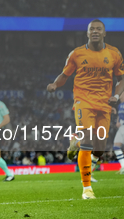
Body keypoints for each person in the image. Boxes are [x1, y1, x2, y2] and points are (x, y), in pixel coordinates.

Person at [47, 19, 124, 199]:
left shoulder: (114, 54)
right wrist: (54, 85)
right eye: (92, 29)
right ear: (87, 33)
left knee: (100, 148)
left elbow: (121, 79)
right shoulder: (76, 54)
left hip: (105, 103)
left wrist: (116, 96)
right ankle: (87, 188)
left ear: (104, 33)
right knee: (89, 140)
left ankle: (77, 142)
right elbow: (65, 74)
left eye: (98, 29)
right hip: (84, 101)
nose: (95, 31)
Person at [113, 101, 124, 174]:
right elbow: (118, 115)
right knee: (116, 146)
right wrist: (117, 121)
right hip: (121, 127)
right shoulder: (120, 105)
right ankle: (123, 166)